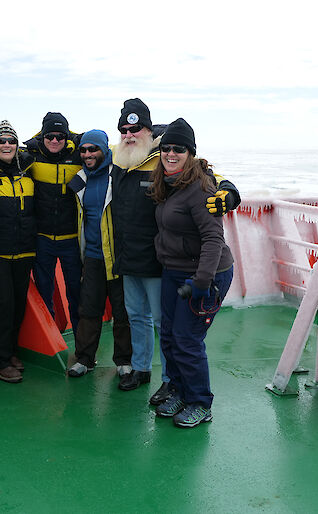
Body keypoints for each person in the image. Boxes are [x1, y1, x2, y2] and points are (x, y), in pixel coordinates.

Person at [111, 99, 240, 401]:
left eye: (136, 128)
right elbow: (80, 147)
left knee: (166, 327)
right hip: (129, 257)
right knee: (137, 317)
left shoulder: (166, 154)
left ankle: (171, 382)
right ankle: (142, 369)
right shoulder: (116, 159)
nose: (130, 134)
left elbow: (209, 175)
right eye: (124, 129)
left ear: (149, 129)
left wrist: (230, 192)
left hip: (160, 262)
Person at [149, 118, 233, 428]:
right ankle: (181, 392)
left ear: (191, 153)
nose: (171, 154)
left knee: (187, 339)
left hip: (204, 274)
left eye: (179, 149)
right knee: (170, 336)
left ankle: (200, 402)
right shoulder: (167, 183)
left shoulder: (200, 189)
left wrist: (201, 282)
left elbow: (213, 239)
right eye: (167, 148)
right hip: (173, 271)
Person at [66, 130, 131, 377]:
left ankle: (124, 360)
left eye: (93, 149)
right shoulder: (81, 179)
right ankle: (85, 358)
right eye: (83, 150)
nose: (87, 154)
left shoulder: (120, 174)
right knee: (89, 309)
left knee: (122, 311)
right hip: (92, 256)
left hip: (117, 255)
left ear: (105, 149)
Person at [0, 120, 36, 383]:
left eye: (11, 141)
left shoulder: (28, 169)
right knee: (2, 305)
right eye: (1, 141)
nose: (7, 145)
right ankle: (0, 360)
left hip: (25, 249)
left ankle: (12, 351)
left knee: (18, 305)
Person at [24, 113, 83, 335]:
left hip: (71, 241)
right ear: (42, 136)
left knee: (76, 294)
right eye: (50, 136)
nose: (55, 140)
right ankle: (51, 344)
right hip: (42, 240)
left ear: (67, 136)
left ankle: (83, 346)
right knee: (44, 293)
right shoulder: (30, 156)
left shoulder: (79, 154)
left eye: (60, 136)